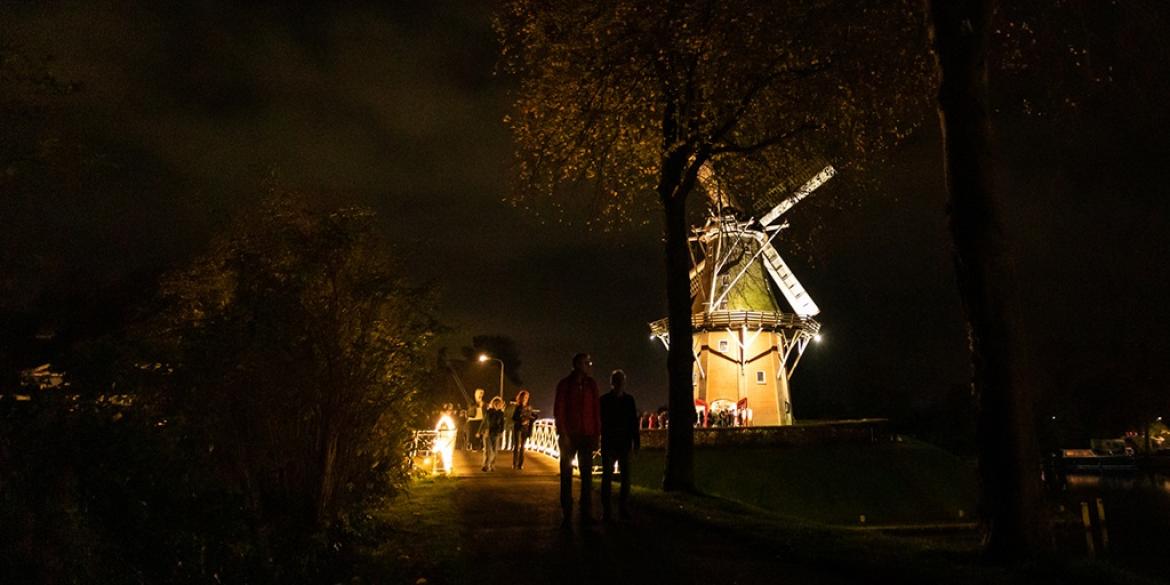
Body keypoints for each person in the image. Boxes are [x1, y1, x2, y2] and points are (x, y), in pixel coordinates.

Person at [554, 352, 601, 527]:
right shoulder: (565, 384)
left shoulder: (591, 385)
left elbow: (596, 410)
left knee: (587, 475)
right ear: (577, 365)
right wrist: (563, 433)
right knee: (566, 474)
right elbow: (559, 409)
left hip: (587, 434)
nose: (589, 365)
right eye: (585, 363)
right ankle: (567, 511)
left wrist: (597, 434)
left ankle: (586, 511)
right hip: (570, 434)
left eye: (589, 362)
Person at [600, 369, 639, 521]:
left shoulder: (628, 400)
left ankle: (622, 508)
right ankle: (608, 510)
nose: (620, 383)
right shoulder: (605, 400)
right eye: (618, 380)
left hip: (623, 443)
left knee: (625, 477)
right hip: (610, 442)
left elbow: (633, 423)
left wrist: (635, 442)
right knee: (608, 477)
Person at [512, 389, 537, 469]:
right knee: (517, 446)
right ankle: (514, 463)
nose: (526, 398)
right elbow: (514, 418)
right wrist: (520, 421)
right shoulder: (518, 407)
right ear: (521, 397)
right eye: (524, 397)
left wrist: (530, 419)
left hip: (525, 428)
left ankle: (520, 464)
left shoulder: (529, 407)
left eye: (527, 397)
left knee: (522, 446)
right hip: (518, 427)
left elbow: (534, 416)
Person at [481, 396, 506, 471]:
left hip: (496, 433)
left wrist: (501, 432)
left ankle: (492, 465)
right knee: (488, 450)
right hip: (488, 432)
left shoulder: (501, 413)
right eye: (496, 403)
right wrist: (480, 431)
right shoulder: (489, 412)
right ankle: (486, 465)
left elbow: (502, 424)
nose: (497, 405)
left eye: (499, 403)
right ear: (493, 403)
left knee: (495, 450)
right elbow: (485, 421)